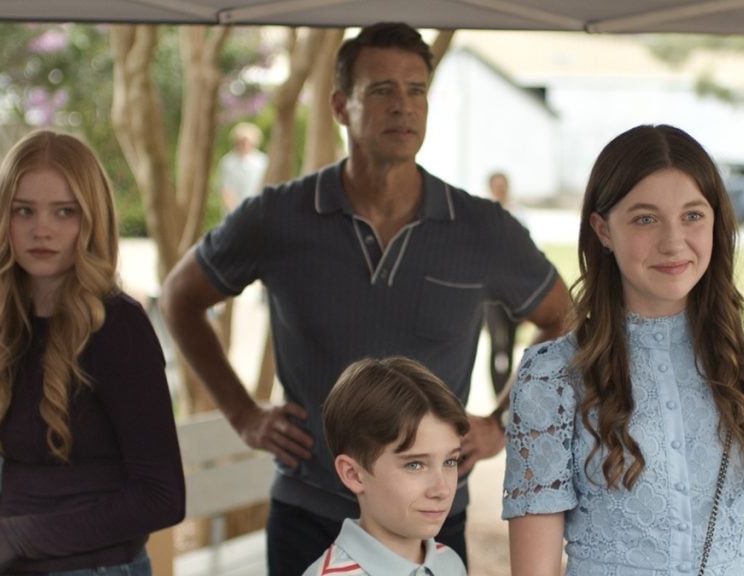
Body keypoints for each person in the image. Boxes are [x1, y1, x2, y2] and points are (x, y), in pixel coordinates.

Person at [160, 21, 571, 576]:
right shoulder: (277, 217)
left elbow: (564, 320)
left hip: (432, 521)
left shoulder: (481, 228)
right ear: (340, 105)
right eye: (381, 89)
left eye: (416, 90)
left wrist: (503, 420)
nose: (403, 105)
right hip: (309, 514)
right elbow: (179, 298)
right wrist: (242, 414)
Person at [503, 124, 744, 576]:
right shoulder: (552, 378)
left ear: (716, 223)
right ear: (603, 230)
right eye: (645, 219)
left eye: (693, 216)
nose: (673, 242)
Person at [0, 129, 185, 576]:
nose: (42, 229)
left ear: (92, 219)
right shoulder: (8, 322)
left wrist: (13, 537)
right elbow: (26, 483)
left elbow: (162, 497)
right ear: (3, 218)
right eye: (24, 211)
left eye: (64, 211)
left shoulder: (119, 326)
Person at [303, 356, 469, 575]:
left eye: (450, 461)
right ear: (353, 474)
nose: (442, 490)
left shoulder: (450, 563)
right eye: (415, 465)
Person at [483, 171, 522, 395]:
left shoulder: (518, 214)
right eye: (496, 186)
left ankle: (508, 393)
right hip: (491, 296)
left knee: (509, 345)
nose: (501, 190)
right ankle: (498, 394)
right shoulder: (483, 215)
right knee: (497, 343)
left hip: (514, 293)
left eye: (503, 186)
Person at [219, 121, 269, 212]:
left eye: (248, 141)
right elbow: (226, 190)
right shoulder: (228, 161)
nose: (245, 144)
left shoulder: (262, 161)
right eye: (242, 141)